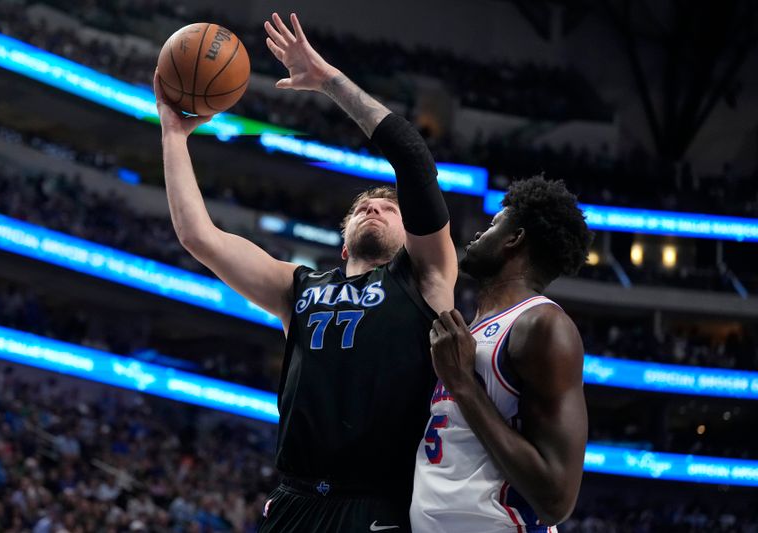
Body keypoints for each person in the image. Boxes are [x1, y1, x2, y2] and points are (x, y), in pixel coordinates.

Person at [154, 12, 457, 533]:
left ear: (413, 235)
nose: (374, 208)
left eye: (389, 208)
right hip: (292, 501)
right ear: (341, 245)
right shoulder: (300, 287)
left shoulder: (425, 277)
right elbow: (198, 237)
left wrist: (328, 80)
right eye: (363, 206)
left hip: (376, 505)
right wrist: (174, 134)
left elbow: (412, 159)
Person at [411, 177, 592, 532]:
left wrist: (463, 383)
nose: (478, 235)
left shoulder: (543, 325)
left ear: (514, 238)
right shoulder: (472, 328)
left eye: (493, 225)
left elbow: (556, 500)